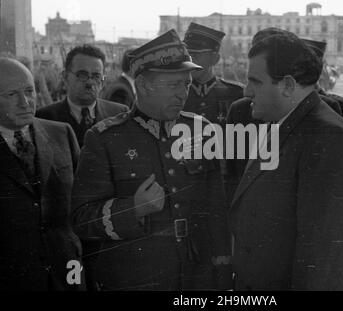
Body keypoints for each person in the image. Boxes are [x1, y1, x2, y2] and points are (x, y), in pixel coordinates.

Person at [71, 30, 232, 291]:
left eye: (187, 83)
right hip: (137, 278)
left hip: (196, 276)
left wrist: (222, 273)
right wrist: (132, 209)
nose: (183, 93)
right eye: (174, 85)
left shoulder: (202, 131)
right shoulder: (104, 139)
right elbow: (81, 221)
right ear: (144, 85)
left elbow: (217, 210)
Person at [229, 31, 343, 290]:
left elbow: (321, 260)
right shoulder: (284, 123)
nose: (246, 91)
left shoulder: (328, 138)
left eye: (255, 81)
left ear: (288, 85)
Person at [0, 57, 83, 290]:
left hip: (68, 277)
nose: (25, 102)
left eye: (29, 91)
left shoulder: (61, 134)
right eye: (11, 95)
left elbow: (83, 209)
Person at [36, 44, 128, 147]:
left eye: (96, 76)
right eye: (82, 75)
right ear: (65, 77)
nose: (90, 82)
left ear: (103, 82)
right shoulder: (43, 118)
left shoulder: (119, 114)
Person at [183, 22, 244, 128]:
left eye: (195, 55)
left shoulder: (236, 94)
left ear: (215, 59)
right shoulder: (176, 93)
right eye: (187, 55)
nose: (190, 61)